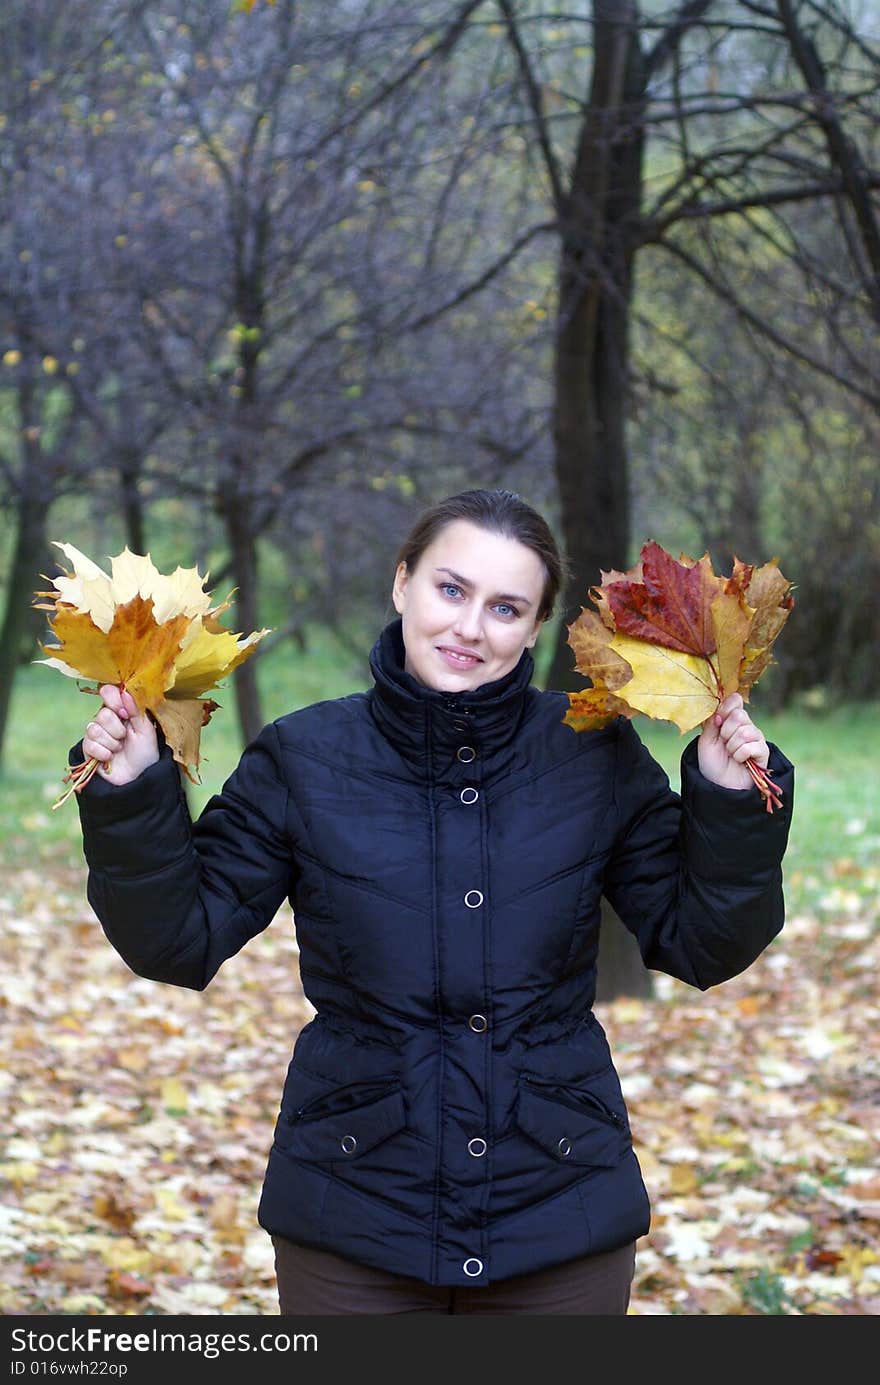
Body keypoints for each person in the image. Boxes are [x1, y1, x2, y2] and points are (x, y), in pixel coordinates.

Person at [69, 487, 794, 1316]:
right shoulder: (304, 757)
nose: (470, 626)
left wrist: (729, 800)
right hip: (353, 1206)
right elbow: (176, 940)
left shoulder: (592, 752)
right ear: (402, 582)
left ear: (536, 627)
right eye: (451, 589)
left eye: (506, 607)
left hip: (557, 1203)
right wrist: (132, 790)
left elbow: (704, 943)